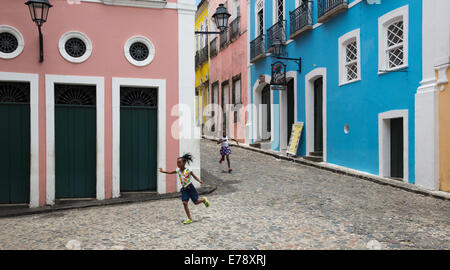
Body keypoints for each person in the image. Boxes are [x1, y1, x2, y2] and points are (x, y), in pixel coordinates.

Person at [159, 153, 210, 224]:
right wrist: (163, 171)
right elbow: (170, 172)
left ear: (184, 163)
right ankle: (189, 218)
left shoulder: (188, 170)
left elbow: (194, 176)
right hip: (184, 189)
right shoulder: (178, 170)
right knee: (184, 203)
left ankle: (204, 200)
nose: (178, 164)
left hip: (190, 188)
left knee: (196, 202)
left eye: (179, 162)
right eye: (177, 163)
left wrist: (199, 180)